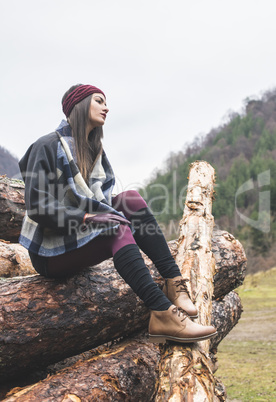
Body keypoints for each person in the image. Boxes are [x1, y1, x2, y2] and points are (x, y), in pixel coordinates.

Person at [18, 84, 217, 344]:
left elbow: (101, 201)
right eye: (99, 101)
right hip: (49, 251)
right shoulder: (46, 145)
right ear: (78, 105)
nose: (106, 107)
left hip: (78, 236)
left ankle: (173, 282)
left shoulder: (92, 150)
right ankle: (162, 314)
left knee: (131, 200)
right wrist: (88, 218)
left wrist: (100, 216)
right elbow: (37, 206)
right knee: (116, 228)